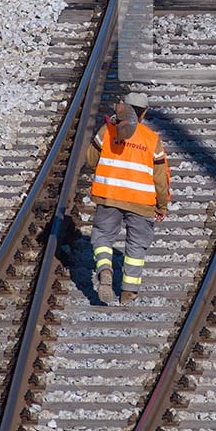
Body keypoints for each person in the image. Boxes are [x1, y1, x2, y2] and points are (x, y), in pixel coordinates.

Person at [86, 92, 170, 304]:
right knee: (136, 246)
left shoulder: (107, 130)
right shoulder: (152, 139)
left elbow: (90, 160)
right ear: (144, 114)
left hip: (109, 196)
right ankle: (128, 293)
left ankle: (105, 268)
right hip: (142, 202)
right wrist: (162, 206)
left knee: (103, 236)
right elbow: (161, 178)